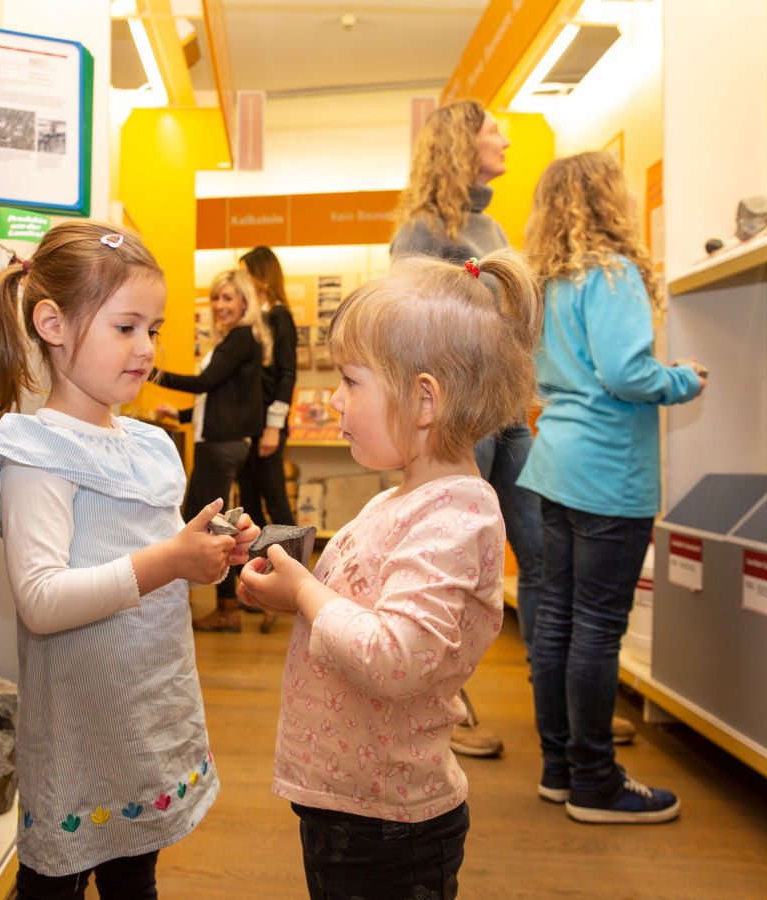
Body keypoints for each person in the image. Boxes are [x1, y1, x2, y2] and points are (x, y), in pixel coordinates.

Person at [239, 252, 543, 899]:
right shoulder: (399, 498)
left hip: (388, 826)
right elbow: (361, 603)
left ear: (424, 399)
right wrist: (289, 591)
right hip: (348, 801)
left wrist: (304, 591)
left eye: (351, 382)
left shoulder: (457, 513)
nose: (335, 400)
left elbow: (395, 656)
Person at [0, 221, 258, 899]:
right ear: (53, 324)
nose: (147, 348)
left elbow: (153, 553)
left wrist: (204, 551)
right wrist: (169, 560)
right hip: (79, 725)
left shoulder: (150, 444)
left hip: (144, 710)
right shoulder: (34, 456)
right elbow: (41, 600)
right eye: (126, 328)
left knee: (136, 871)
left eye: (152, 329)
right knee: (56, 880)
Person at [517, 151, 707, 825]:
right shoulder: (614, 273)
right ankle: (596, 782)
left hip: (555, 466)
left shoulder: (550, 282)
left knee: (559, 623)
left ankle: (560, 770)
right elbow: (629, 374)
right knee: (597, 630)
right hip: (607, 473)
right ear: (607, 199)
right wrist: (683, 378)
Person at [389, 97, 546, 757]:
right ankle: (437, 710)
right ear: (462, 144)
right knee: (448, 557)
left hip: (506, 412)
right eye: (494, 130)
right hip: (458, 412)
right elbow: (410, 326)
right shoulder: (420, 232)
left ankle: (559, 706)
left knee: (540, 550)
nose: (506, 140)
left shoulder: (493, 226)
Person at [154, 268, 270, 633]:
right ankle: (227, 605)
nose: (220, 305)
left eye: (228, 298)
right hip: (221, 442)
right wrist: (182, 414)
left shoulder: (240, 338)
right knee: (220, 525)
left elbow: (205, 382)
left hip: (221, 446)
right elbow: (218, 397)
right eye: (216, 298)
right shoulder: (239, 340)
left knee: (210, 525)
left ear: (245, 303)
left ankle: (227, 607)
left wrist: (149, 374)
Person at [234, 245, 298, 633]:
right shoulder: (256, 319)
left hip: (268, 427)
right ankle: (262, 587)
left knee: (276, 503)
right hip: (250, 427)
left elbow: (286, 375)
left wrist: (274, 425)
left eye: (245, 273)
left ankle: (296, 586)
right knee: (252, 506)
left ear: (261, 275)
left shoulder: (280, 316)